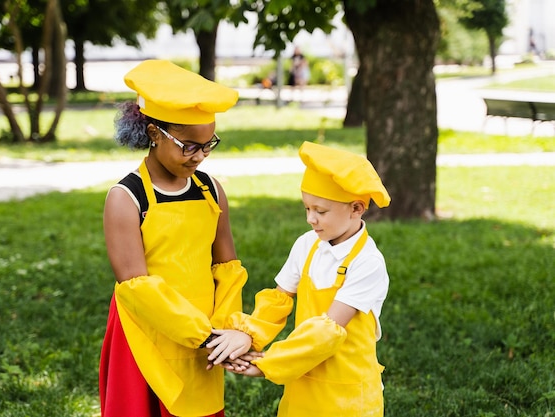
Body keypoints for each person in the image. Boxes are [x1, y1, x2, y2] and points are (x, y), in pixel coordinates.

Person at [98, 59, 250, 417]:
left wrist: (226, 331)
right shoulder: (126, 198)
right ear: (154, 134)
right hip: (146, 334)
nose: (200, 156)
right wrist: (204, 335)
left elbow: (226, 266)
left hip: (203, 332)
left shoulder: (211, 190)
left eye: (208, 144)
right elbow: (136, 286)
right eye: (189, 146)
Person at [207, 141, 391, 417]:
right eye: (307, 208)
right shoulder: (308, 244)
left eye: (321, 211)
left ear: (356, 208)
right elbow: (279, 299)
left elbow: (329, 330)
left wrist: (269, 363)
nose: (310, 219)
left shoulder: (368, 263)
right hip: (302, 378)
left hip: (346, 393)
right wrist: (248, 335)